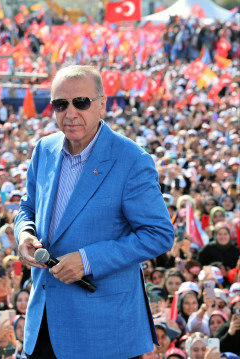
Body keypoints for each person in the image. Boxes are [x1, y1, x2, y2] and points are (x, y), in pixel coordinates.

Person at [14, 65, 174, 358]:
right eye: (60, 104)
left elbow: (159, 235)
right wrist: (25, 234)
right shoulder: (44, 149)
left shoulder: (132, 160)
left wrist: (87, 260)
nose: (70, 112)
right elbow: (27, 207)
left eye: (81, 102)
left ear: (102, 104)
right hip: (44, 326)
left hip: (105, 330)